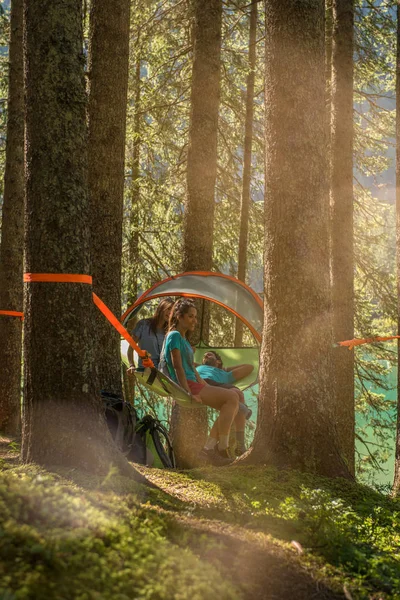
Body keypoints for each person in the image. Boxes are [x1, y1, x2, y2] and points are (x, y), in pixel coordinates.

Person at [160, 298, 239, 466]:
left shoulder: (183, 339)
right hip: (187, 385)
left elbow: (192, 368)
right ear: (179, 317)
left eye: (195, 317)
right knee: (232, 399)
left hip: (194, 383)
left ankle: (209, 449)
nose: (194, 320)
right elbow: (177, 366)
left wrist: (205, 384)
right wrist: (188, 392)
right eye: (190, 316)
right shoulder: (174, 336)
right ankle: (220, 450)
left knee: (233, 400)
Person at [197, 351, 253, 456]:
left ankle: (237, 445)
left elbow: (249, 367)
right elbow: (185, 362)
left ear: (218, 361)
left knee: (235, 398)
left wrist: (224, 369)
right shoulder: (198, 368)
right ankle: (236, 444)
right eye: (204, 356)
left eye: (209, 355)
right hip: (201, 384)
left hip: (218, 387)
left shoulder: (225, 374)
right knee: (236, 395)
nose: (205, 355)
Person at [127, 297, 174, 372]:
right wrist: (132, 365)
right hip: (145, 372)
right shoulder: (143, 324)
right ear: (161, 309)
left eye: (172, 311)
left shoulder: (169, 331)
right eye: (168, 309)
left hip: (163, 373)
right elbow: (130, 348)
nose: (170, 313)